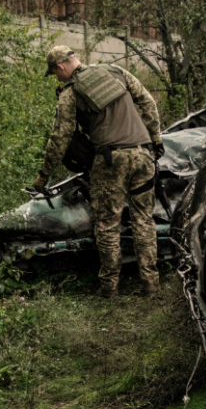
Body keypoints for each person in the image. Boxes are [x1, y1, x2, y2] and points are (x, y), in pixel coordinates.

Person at [35, 45, 164, 297]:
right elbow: (148, 102)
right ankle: (151, 284)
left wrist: (43, 174)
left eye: (55, 74)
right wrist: (156, 139)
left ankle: (109, 288)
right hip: (143, 153)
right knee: (143, 220)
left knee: (107, 224)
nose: (58, 78)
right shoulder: (116, 71)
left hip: (110, 159)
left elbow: (60, 136)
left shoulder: (71, 92)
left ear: (60, 67)